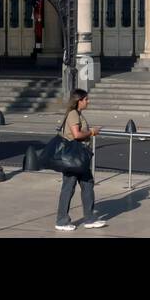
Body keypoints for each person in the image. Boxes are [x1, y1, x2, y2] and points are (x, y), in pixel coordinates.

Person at [55, 88, 104, 231]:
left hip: (80, 158)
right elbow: (76, 135)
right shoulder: (73, 114)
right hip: (73, 158)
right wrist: (92, 132)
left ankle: (89, 219)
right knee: (68, 188)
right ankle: (61, 221)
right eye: (86, 99)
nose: (88, 101)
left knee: (88, 184)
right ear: (79, 101)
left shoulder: (78, 114)